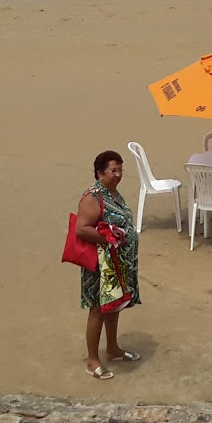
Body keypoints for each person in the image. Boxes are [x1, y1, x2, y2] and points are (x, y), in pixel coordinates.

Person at [74, 150, 141, 380]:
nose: (118, 174)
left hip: (118, 262)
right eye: (113, 170)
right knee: (98, 309)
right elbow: (82, 228)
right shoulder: (93, 196)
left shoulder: (113, 193)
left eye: (120, 170)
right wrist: (109, 238)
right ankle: (93, 360)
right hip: (101, 265)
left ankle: (112, 348)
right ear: (99, 173)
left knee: (115, 305)